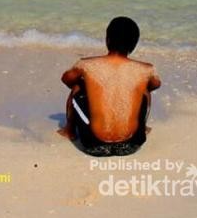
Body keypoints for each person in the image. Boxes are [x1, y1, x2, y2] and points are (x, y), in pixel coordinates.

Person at [58, 16, 161, 156]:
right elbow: (156, 84)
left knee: (78, 86)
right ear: (134, 44)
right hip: (132, 144)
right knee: (144, 90)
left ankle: (69, 130)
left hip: (93, 144)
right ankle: (142, 128)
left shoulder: (86, 65)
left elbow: (66, 79)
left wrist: (91, 85)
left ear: (107, 39)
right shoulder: (146, 69)